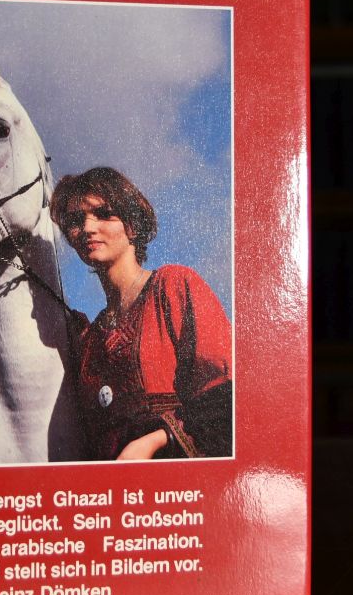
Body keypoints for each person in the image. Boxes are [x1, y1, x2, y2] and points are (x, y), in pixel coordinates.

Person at [50, 167, 233, 460]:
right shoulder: (89, 339)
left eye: (103, 214)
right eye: (76, 220)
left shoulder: (174, 286)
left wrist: (156, 440)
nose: (87, 228)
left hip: (175, 475)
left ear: (132, 225)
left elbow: (224, 394)